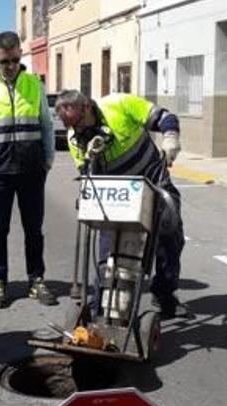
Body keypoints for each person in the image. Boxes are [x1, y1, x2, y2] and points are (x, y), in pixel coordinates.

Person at [55, 89, 186, 318]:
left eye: (80, 123)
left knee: (170, 239)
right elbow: (87, 176)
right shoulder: (75, 137)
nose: (79, 130)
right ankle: (101, 306)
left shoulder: (119, 105)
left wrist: (170, 137)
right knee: (108, 254)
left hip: (153, 183)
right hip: (117, 197)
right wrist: (91, 161)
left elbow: (165, 117)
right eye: (72, 127)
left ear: (87, 107)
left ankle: (164, 295)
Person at [0, 31, 57, 309]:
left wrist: (48, 160)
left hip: (32, 171)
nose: (11, 66)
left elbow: (46, 125)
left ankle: (36, 280)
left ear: (21, 55)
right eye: (6, 61)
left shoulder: (33, 84)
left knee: (34, 230)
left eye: (16, 60)